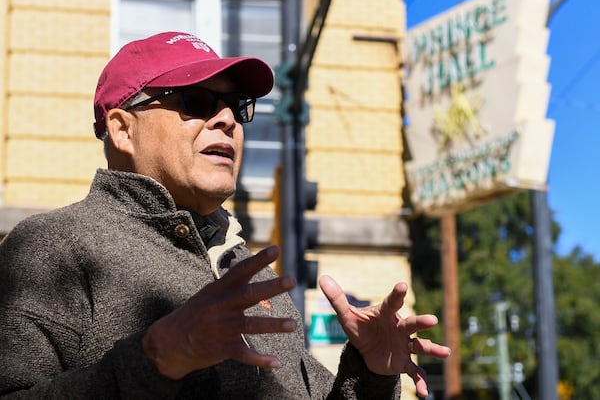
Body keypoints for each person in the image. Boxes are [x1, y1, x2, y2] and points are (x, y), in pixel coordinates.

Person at [0, 31, 450, 399]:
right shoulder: (53, 245)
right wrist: (155, 358)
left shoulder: (250, 271)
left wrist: (369, 374)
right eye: (196, 102)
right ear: (122, 129)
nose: (227, 122)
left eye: (236, 107)